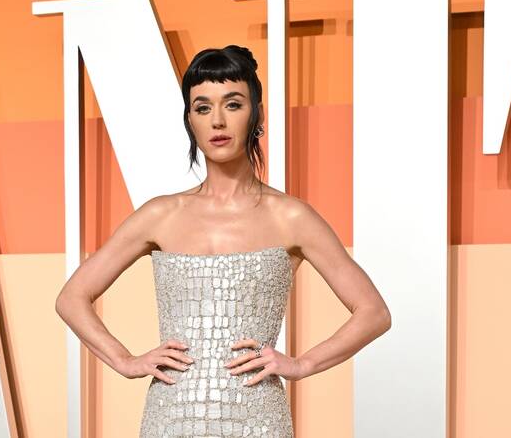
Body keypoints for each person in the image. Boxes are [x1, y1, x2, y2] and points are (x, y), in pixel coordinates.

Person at [55, 44, 392, 437]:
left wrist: (302, 365)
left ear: (256, 114)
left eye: (233, 104)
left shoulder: (291, 217)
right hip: (170, 419)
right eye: (202, 108)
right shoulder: (160, 214)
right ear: (190, 120)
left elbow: (374, 313)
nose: (217, 120)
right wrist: (126, 361)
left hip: (258, 419)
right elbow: (71, 298)